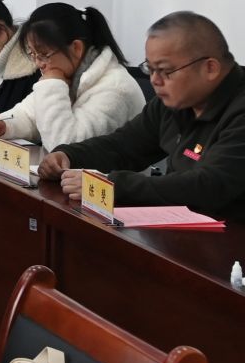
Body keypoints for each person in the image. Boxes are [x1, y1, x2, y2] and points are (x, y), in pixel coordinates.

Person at [40, 11, 245, 221]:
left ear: (210, 68)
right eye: (150, 69)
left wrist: (113, 186)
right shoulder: (176, 101)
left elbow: (210, 185)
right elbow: (123, 146)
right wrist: (69, 156)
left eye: (165, 70)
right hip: (181, 224)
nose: (155, 80)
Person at [0, 4, 144, 151]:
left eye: (44, 54)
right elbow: (29, 115)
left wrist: (51, 84)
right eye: (33, 54)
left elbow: (65, 146)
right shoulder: (67, 72)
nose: (38, 63)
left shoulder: (115, 89)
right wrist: (3, 125)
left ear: (76, 48)